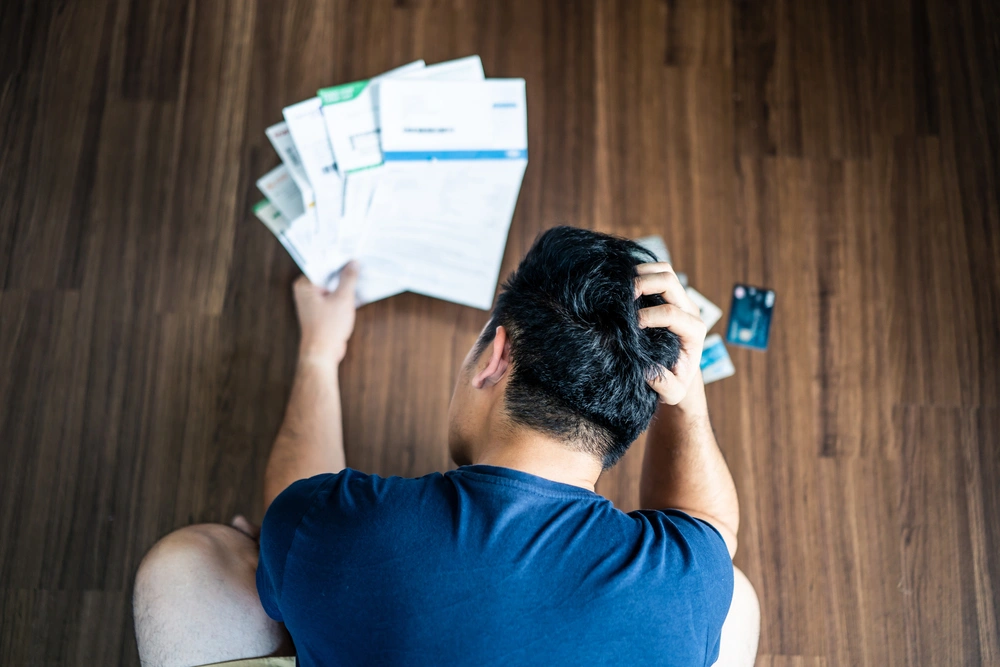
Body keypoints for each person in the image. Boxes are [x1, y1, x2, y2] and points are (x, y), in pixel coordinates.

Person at [133, 227, 760, 667]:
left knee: (189, 563)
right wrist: (690, 396)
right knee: (734, 603)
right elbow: (705, 528)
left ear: (496, 356)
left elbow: (297, 503)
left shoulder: (341, 530)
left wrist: (319, 353)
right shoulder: (683, 579)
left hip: (320, 556)